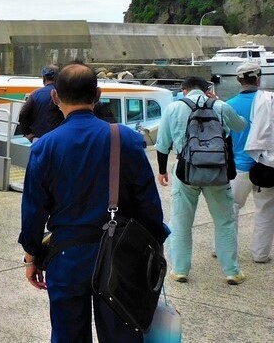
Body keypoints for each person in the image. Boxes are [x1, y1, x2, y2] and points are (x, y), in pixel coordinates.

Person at [19, 64, 168, 343]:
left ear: (54, 97)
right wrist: (155, 246)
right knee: (122, 334)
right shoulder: (126, 138)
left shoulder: (44, 147)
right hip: (120, 255)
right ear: (98, 95)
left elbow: (33, 209)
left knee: (67, 335)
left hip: (67, 257)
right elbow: (148, 203)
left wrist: (31, 254)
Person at [155, 76, 247, 284]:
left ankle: (180, 270)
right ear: (207, 90)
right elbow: (240, 126)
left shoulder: (173, 108)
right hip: (217, 172)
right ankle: (231, 271)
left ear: (183, 89)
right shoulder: (220, 106)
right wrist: (219, 101)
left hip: (186, 171)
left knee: (180, 222)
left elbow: (162, 144)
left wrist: (162, 171)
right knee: (224, 221)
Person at [226, 62, 274, 263]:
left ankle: (224, 249)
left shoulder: (228, 106)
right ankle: (260, 254)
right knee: (266, 210)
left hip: (239, 168)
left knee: (230, 209)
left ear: (238, 80)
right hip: (268, 166)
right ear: (258, 78)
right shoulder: (273, 102)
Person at [17, 66, 60, 142]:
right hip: (57, 138)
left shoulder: (35, 94)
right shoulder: (63, 94)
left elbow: (23, 114)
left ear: (44, 78)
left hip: (38, 138)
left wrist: (27, 133)